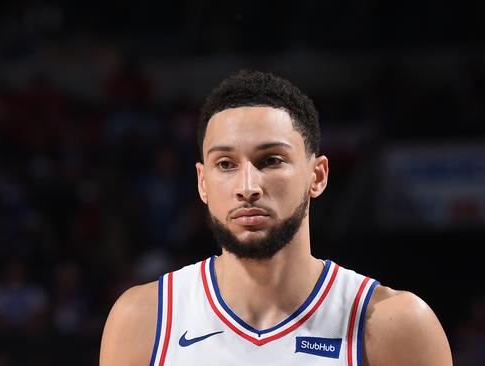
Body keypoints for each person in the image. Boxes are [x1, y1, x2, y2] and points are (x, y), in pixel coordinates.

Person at [99, 70, 453, 365]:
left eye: (271, 160)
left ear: (317, 176)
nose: (248, 187)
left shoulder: (397, 325)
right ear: (202, 183)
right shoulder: (143, 321)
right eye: (226, 164)